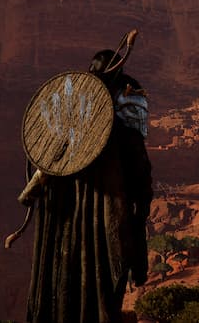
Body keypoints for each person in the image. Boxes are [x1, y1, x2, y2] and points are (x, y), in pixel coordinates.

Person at [20, 48, 153, 323]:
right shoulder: (123, 132)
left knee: (60, 288)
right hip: (102, 234)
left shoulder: (62, 133)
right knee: (100, 295)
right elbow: (142, 183)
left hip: (62, 236)